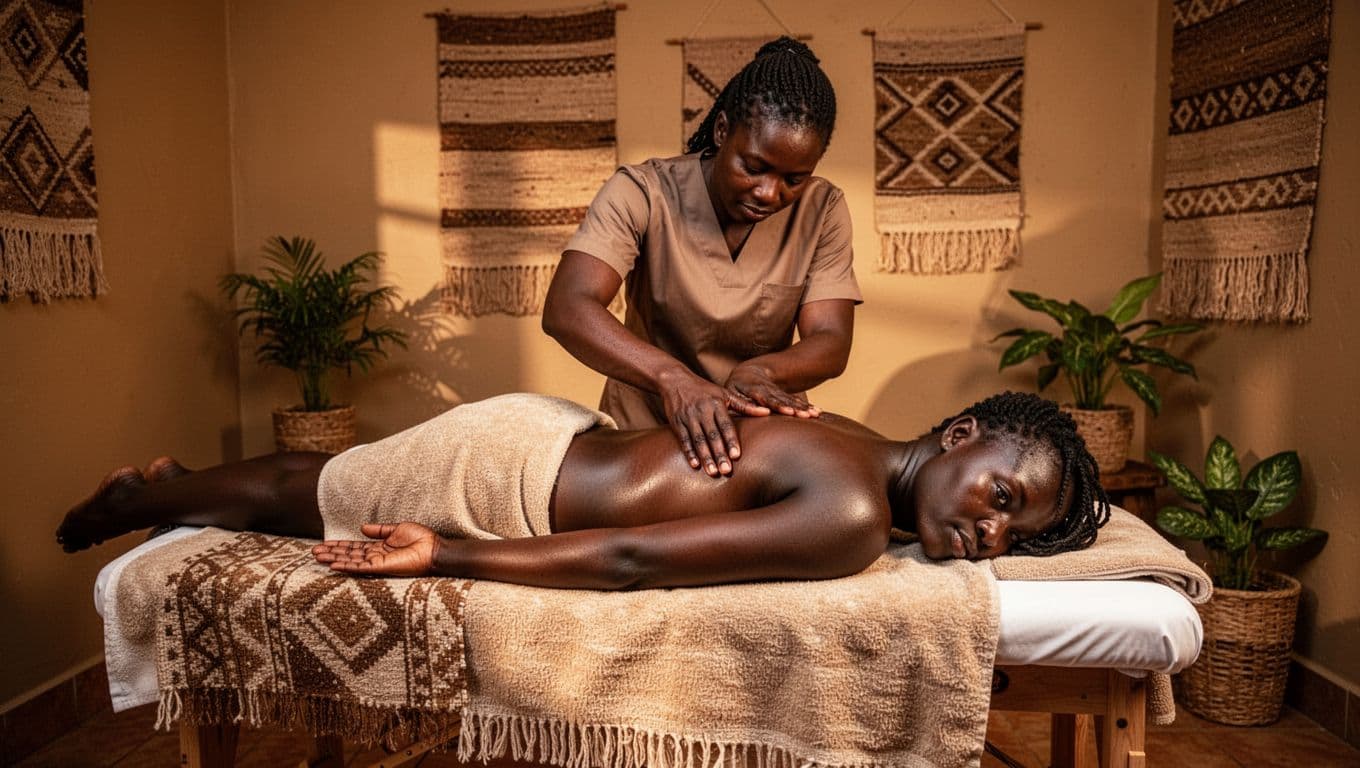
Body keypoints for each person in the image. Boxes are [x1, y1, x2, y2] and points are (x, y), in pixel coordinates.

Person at [56, 392, 1110, 590]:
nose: (992, 532)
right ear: (962, 437)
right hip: (518, 472)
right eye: (1004, 496)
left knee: (313, 484)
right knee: (310, 491)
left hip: (555, 437)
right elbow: (631, 561)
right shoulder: (845, 518)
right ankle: (144, 501)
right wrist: (448, 552)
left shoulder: (843, 435)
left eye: (1020, 535)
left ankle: (171, 484)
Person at [542, 37, 859, 480]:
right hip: (642, 442)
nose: (770, 193)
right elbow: (567, 307)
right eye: (753, 166)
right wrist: (673, 379)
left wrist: (761, 370)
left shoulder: (822, 209)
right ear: (722, 130)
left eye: (794, 178)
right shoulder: (643, 192)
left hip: (758, 444)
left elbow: (831, 339)